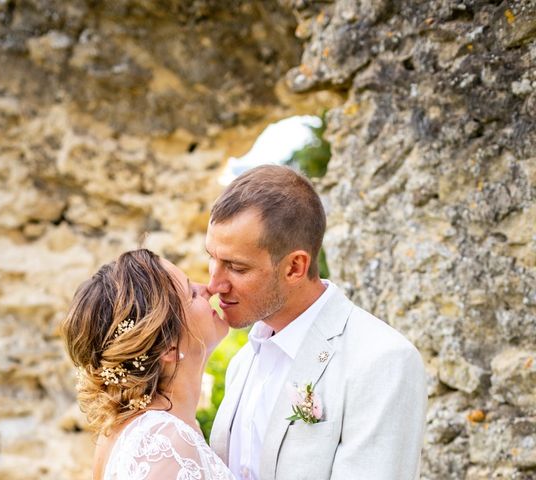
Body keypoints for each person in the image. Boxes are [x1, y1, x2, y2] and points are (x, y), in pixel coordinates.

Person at [206, 165, 427, 480]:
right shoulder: (242, 364)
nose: (214, 284)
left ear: (295, 267)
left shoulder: (384, 361)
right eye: (211, 258)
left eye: (236, 267)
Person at [60, 249, 235, 480]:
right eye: (192, 294)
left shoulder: (127, 431)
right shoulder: (164, 442)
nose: (207, 289)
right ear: (169, 347)